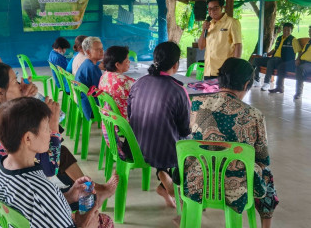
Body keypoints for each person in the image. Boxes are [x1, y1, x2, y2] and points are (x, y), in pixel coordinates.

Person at [0, 62, 118, 204]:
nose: (20, 85)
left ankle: (94, 189)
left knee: (60, 150)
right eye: (15, 82)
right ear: (0, 92)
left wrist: (25, 99)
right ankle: (92, 192)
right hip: (18, 198)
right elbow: (49, 169)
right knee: (59, 153)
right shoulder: (6, 124)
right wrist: (52, 126)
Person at [0, 97, 114, 228]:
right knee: (105, 222)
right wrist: (83, 225)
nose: (50, 132)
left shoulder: (2, 168)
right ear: (28, 138)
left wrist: (68, 196)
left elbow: (37, 209)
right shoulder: (39, 190)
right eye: (46, 128)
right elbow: (40, 201)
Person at [188, 58, 278, 228]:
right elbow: (263, 159)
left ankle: (187, 216)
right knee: (266, 173)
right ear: (246, 84)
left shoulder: (197, 104)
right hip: (235, 188)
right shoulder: (253, 114)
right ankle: (266, 225)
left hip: (198, 180)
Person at [127, 42, 191, 208]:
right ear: (176, 64)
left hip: (137, 146)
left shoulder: (138, 83)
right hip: (165, 152)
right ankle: (177, 187)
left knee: (164, 128)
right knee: (191, 140)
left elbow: (130, 115)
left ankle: (163, 178)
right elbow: (184, 128)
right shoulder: (178, 90)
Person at [98, 46, 135, 159]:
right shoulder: (126, 81)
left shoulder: (104, 76)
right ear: (117, 65)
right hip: (124, 122)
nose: (129, 62)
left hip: (111, 120)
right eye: (127, 60)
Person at [198, 0, 242, 79]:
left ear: (222, 7)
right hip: (209, 70)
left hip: (224, 70)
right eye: (209, 9)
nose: (212, 11)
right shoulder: (209, 24)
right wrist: (204, 30)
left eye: (215, 8)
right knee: (209, 92)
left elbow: (238, 45)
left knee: (222, 92)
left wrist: (235, 66)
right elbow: (201, 47)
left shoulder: (232, 22)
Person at [253, 22, 301, 92]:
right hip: (274, 58)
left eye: (288, 30)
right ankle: (256, 80)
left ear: (291, 31)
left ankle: (267, 83)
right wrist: (268, 53)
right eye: (284, 30)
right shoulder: (279, 38)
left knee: (271, 61)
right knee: (257, 60)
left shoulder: (293, 40)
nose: (286, 32)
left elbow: (299, 50)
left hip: (283, 60)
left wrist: (298, 59)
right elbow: (275, 49)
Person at [75, 36, 103, 120]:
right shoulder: (92, 68)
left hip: (85, 104)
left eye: (102, 48)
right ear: (88, 52)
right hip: (91, 108)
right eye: (98, 49)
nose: (102, 51)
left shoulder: (87, 64)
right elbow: (101, 92)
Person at [294, 26, 311, 99]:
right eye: (309, 31)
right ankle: (279, 87)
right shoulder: (309, 41)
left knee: (300, 69)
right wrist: (298, 58)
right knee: (282, 65)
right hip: (301, 61)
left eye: (310, 31)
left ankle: (298, 93)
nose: (309, 33)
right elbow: (302, 51)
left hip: (309, 64)